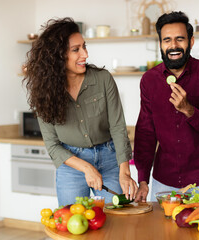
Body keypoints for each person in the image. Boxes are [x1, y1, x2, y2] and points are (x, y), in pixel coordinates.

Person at [23, 17, 138, 206]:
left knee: (118, 223)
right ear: (57, 56)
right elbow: (52, 146)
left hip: (110, 160)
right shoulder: (43, 91)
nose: (85, 54)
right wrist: (86, 167)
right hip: (71, 165)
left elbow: (118, 128)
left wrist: (124, 172)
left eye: (84, 47)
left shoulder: (103, 79)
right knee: (72, 226)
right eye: (76, 50)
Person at [134, 11, 199, 202]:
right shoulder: (149, 80)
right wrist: (143, 179)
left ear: (191, 42)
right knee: (162, 232)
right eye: (167, 40)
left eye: (180, 39)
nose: (173, 45)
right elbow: (145, 132)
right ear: (160, 44)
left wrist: (189, 110)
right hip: (163, 181)